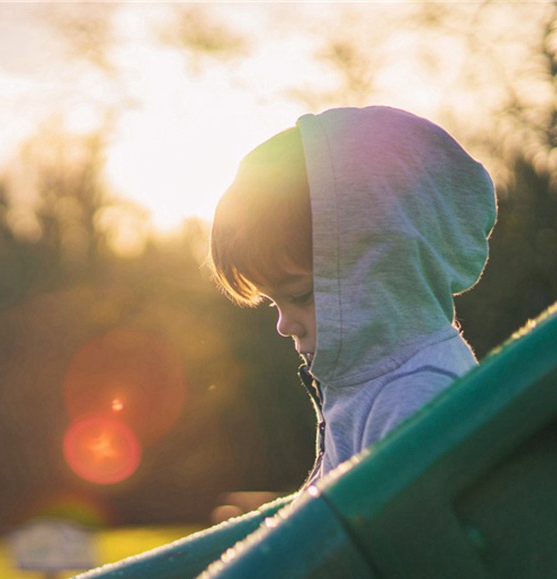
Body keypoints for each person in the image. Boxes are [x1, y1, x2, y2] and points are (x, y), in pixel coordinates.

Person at [208, 106, 497, 486]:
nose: (283, 325)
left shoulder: (415, 396)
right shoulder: (369, 380)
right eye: (273, 302)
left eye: (302, 295)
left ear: (382, 267)